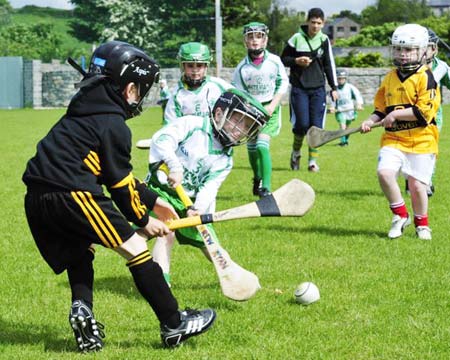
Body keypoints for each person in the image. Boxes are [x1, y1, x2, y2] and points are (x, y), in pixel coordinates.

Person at [22, 41, 216, 352]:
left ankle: (81, 309)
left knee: (79, 250)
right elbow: (119, 182)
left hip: (37, 197)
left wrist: (154, 200)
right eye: (140, 89)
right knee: (137, 248)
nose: (139, 96)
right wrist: (143, 220)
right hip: (73, 194)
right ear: (127, 89)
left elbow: (107, 170)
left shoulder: (83, 111)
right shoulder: (114, 124)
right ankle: (173, 322)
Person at [146, 88, 268, 287]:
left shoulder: (225, 159)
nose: (240, 130)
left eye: (247, 127)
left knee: (211, 246)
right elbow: (161, 140)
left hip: (190, 202)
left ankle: (237, 279)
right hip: (160, 191)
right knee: (162, 232)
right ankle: (160, 285)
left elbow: (210, 187)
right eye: (238, 121)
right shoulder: (192, 125)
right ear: (219, 114)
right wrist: (174, 166)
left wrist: (198, 209)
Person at [360, 24, 440, 240]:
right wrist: (370, 120)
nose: (403, 55)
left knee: (416, 185)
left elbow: (424, 113)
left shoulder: (427, 77)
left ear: (423, 50)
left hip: (422, 140)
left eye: (409, 50)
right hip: (393, 139)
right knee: (384, 173)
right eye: (398, 49)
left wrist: (395, 116)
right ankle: (400, 214)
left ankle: (422, 224)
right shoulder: (389, 78)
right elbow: (380, 109)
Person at [135, 42, 231, 147]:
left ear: (206, 65)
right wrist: (163, 139)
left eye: (199, 65)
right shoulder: (177, 96)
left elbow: (242, 100)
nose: (195, 70)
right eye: (190, 65)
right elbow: (170, 127)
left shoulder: (218, 85)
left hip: (218, 148)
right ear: (182, 66)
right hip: (189, 149)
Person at [232, 22, 289, 197]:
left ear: (265, 40)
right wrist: (248, 111)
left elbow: (283, 83)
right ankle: (257, 178)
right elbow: (240, 94)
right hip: (250, 112)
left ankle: (267, 188)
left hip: (270, 109)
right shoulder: (242, 68)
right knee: (251, 149)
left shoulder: (274, 61)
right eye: (251, 37)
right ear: (245, 42)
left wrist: (273, 105)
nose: (255, 41)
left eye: (259, 36)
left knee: (262, 145)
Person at [281, 7, 338, 172]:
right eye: (313, 22)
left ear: (323, 23)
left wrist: (334, 87)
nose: (315, 26)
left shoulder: (324, 40)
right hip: (299, 88)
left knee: (315, 127)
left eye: (319, 23)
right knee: (302, 125)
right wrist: (297, 61)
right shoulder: (296, 38)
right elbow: (283, 59)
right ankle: (295, 153)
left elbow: (329, 64)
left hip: (318, 89)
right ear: (307, 22)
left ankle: (312, 162)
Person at [405, 28, 450, 196]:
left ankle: (427, 181)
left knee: (429, 150)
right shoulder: (410, 66)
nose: (426, 51)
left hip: (433, 117)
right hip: (410, 114)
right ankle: (412, 180)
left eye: (429, 46)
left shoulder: (442, 67)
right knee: (410, 150)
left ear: (435, 48)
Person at [329, 69, 363, 146]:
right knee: (342, 125)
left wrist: (359, 104)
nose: (340, 80)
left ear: (345, 79)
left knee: (347, 128)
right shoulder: (335, 89)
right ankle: (343, 142)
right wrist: (332, 107)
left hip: (349, 110)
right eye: (339, 79)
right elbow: (333, 100)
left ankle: (346, 140)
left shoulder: (350, 87)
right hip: (340, 110)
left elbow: (358, 96)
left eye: (342, 78)